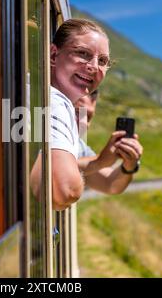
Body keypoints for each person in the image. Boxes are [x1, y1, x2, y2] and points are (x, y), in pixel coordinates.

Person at [31, 18, 142, 211]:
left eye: (103, 61)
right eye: (82, 53)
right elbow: (64, 191)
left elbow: (110, 184)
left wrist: (127, 165)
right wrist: (93, 164)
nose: (93, 66)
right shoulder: (54, 101)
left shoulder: (41, 97)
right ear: (53, 54)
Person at [75, 90, 143, 194]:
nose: (83, 123)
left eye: (88, 117)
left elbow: (110, 184)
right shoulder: (43, 135)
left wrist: (129, 166)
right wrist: (100, 161)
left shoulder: (79, 146)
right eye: (77, 113)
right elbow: (52, 169)